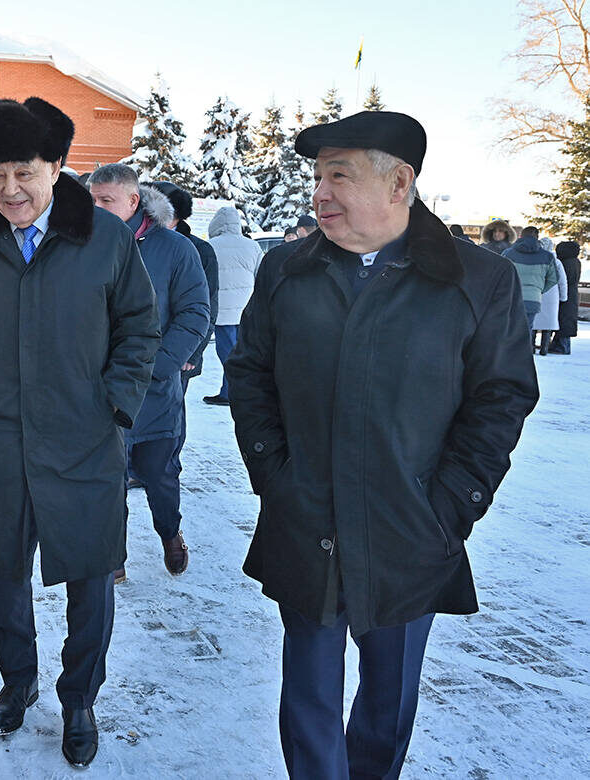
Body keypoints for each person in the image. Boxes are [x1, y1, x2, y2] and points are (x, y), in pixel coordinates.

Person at [225, 110, 539, 779]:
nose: (320, 193)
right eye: (317, 176)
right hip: (306, 517)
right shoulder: (286, 268)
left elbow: (501, 396)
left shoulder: (478, 279)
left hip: (411, 526)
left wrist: (451, 502)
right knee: (308, 691)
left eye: (338, 175)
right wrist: (274, 475)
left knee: (389, 697)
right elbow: (251, 371)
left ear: (399, 185)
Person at [0, 97, 159, 768]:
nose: (9, 190)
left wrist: (114, 404)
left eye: (24, 172)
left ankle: (80, 698)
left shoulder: (106, 240)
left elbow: (140, 328)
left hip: (84, 441)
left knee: (89, 575)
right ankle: (17, 682)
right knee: (4, 570)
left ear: (57, 167)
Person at [88, 165, 209, 578]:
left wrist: (158, 367)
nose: (97, 208)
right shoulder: (82, 245)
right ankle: (113, 556)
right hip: (101, 393)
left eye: (106, 201)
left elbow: (195, 312)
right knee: (108, 480)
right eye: (92, 200)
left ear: (133, 201)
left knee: (159, 476)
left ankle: (170, 533)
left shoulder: (175, 249)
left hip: (155, 393)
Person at [150, 180, 219, 485]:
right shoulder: (144, 241)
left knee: (172, 412)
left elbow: (206, 305)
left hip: (182, 349)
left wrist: (193, 352)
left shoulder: (199, 250)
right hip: (146, 348)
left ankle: (167, 465)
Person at [203, 206, 263, 406]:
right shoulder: (252, 246)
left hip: (222, 311)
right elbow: (260, 275)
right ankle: (231, 390)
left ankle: (231, 392)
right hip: (246, 310)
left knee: (227, 354)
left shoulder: (210, 246)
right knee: (242, 352)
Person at [501, 226, 560, 331]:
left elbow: (499, 275)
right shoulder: (547, 256)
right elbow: (554, 279)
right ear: (537, 237)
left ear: (521, 236)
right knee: (526, 331)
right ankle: (524, 347)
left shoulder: (508, 254)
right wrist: (539, 289)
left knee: (509, 330)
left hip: (512, 298)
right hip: (533, 299)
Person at [534, 237, 567, 355]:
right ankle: (544, 349)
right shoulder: (556, 262)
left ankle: (531, 346)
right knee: (547, 324)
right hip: (552, 295)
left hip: (536, 292)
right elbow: (562, 281)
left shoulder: (535, 259)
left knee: (534, 322)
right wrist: (563, 297)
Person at [551, 241, 582, 354]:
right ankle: (560, 345)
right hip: (572, 295)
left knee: (563, 321)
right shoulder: (575, 262)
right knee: (566, 321)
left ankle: (562, 347)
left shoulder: (565, 263)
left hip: (566, 295)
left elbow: (561, 280)